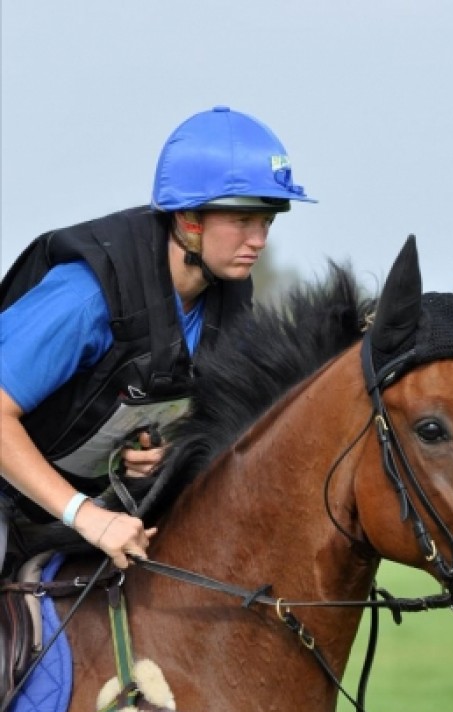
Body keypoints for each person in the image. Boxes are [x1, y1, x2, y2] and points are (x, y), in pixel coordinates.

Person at [0, 106, 316, 574]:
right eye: (243, 220)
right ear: (188, 218)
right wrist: (86, 516)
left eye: (267, 221)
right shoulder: (87, 295)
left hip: (57, 502)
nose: (259, 240)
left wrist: (142, 456)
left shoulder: (228, 303)